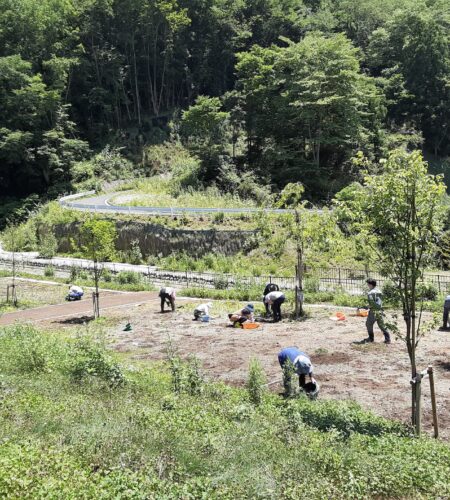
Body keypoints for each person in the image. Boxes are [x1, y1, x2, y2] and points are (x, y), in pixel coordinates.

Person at [364, 279, 391, 344]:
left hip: (373, 311)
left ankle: (371, 338)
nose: (368, 286)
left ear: (370, 285)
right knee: (382, 325)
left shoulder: (370, 293)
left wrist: (368, 306)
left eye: (368, 284)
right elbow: (379, 302)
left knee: (368, 324)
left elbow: (372, 303)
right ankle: (388, 339)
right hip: (380, 310)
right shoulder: (379, 291)